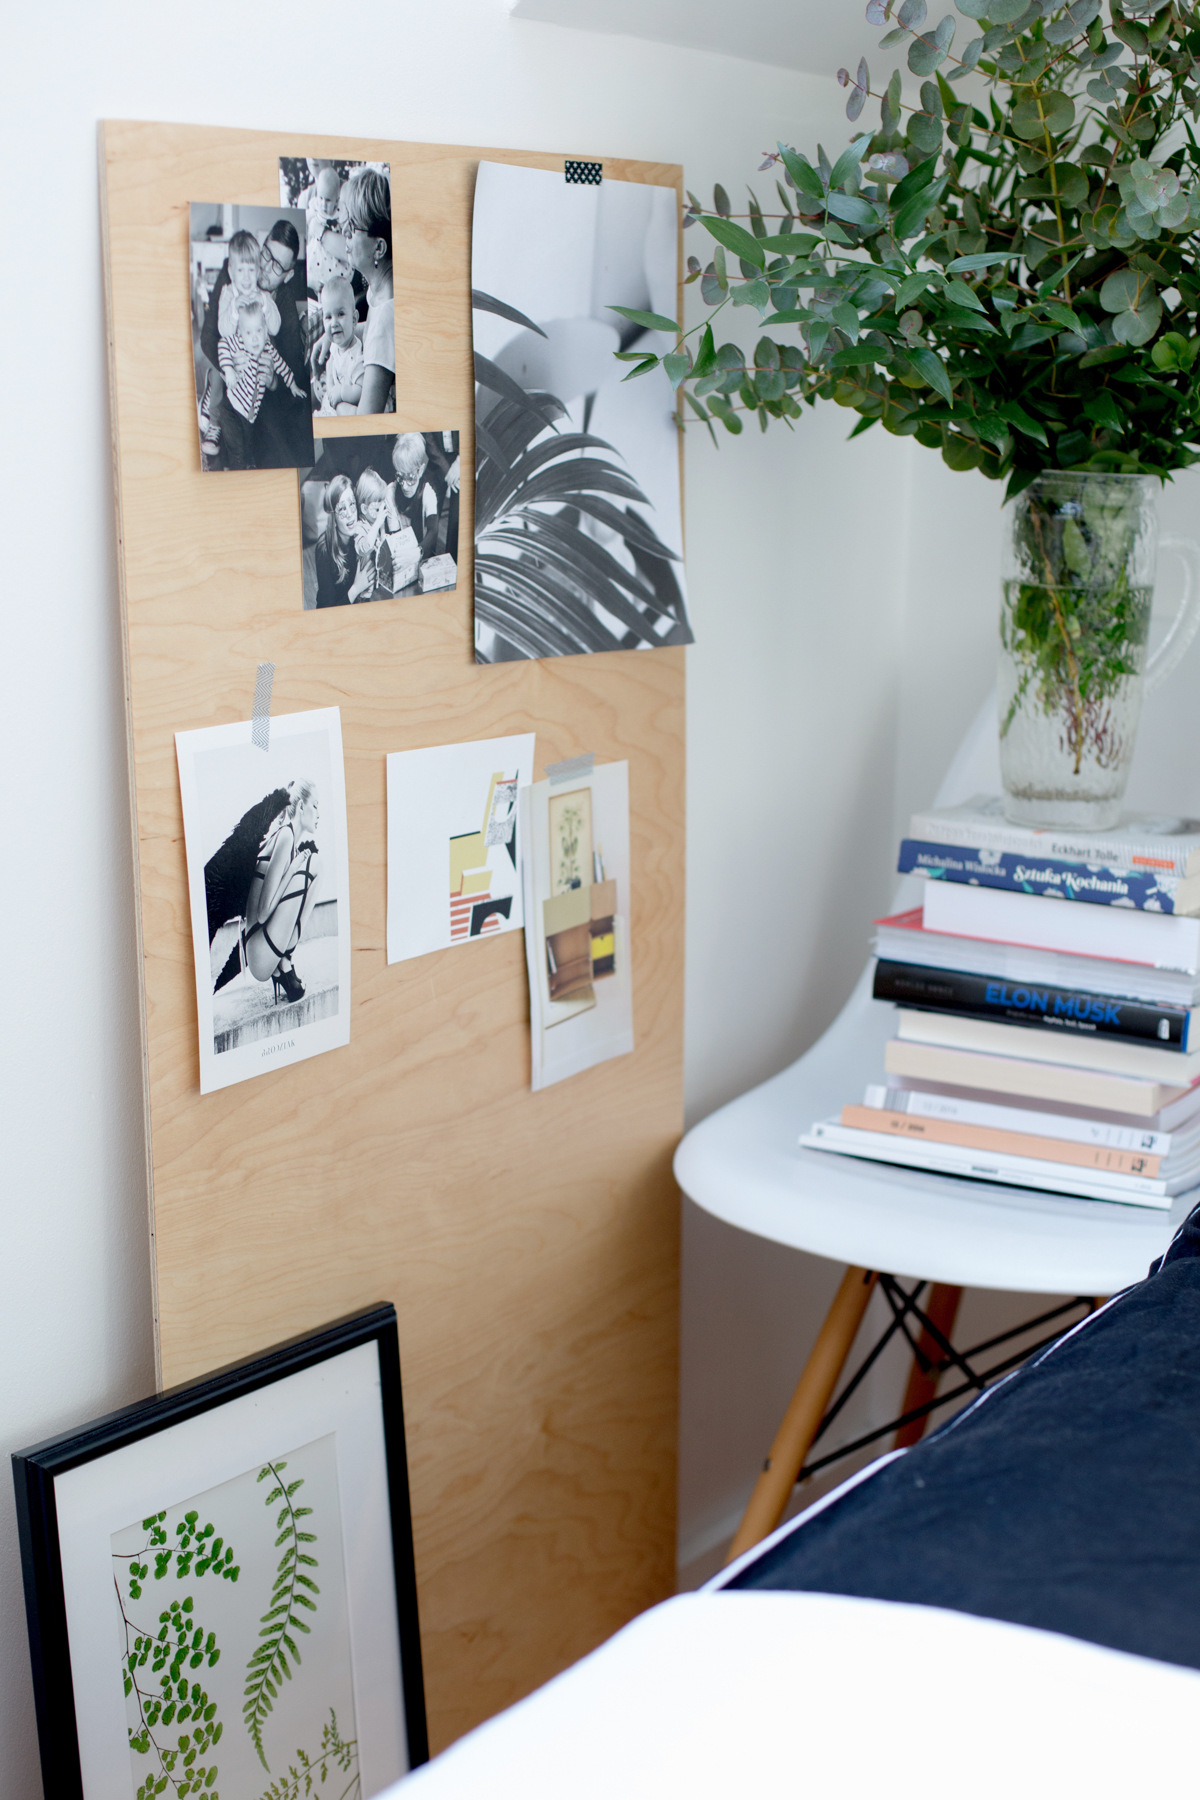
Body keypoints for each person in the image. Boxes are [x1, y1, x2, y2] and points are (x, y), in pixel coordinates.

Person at [200, 220, 310, 468]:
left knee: (273, 451)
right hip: (229, 371)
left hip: (258, 389)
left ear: (289, 275)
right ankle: (213, 397)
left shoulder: (282, 305)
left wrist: (273, 380)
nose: (265, 267)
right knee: (225, 448)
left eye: (278, 266)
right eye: (266, 253)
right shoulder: (235, 271)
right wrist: (227, 366)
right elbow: (208, 336)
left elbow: (294, 370)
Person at [240, 780, 323, 1004]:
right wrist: (294, 868)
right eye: (315, 805)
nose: (318, 813)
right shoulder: (285, 836)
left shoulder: (288, 839)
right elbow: (263, 914)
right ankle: (285, 961)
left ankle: (283, 966)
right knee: (315, 864)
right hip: (259, 951)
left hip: (263, 948)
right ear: (301, 806)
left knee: (314, 864)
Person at [216, 297, 305, 470]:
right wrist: (229, 369)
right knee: (237, 449)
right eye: (248, 333)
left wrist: (293, 385)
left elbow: (283, 367)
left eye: (258, 330)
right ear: (240, 333)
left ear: (265, 331)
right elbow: (222, 345)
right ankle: (236, 468)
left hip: (250, 414)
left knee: (248, 446)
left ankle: (245, 464)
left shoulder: (268, 349)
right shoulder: (239, 344)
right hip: (232, 406)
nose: (255, 338)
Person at [338, 167, 394, 414]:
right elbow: (370, 333)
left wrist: (339, 405)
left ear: (378, 248)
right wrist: (333, 333)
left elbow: (367, 416)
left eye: (352, 227)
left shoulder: (385, 317)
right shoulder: (378, 289)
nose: (344, 233)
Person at [314, 474, 375, 606]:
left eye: (352, 504)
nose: (350, 514)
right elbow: (329, 610)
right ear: (334, 517)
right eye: (342, 508)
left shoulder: (360, 537)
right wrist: (356, 588)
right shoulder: (324, 549)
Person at [386, 433, 445, 564]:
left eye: (410, 478)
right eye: (400, 477)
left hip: (422, 553)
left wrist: (417, 552)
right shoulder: (390, 492)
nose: (405, 486)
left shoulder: (428, 493)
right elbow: (395, 535)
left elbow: (433, 531)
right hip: (401, 553)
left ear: (420, 470)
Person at [311, 277, 364, 415]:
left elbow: (361, 390)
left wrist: (340, 392)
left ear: (354, 319)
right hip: (329, 404)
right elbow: (332, 366)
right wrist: (328, 383)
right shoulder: (335, 346)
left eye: (340, 314)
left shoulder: (356, 357)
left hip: (344, 411)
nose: (334, 323)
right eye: (328, 317)